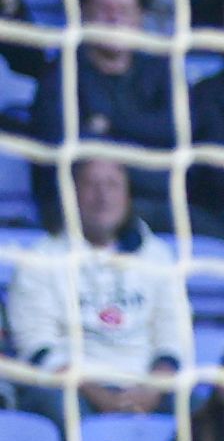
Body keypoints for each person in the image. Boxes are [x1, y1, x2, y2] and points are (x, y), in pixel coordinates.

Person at [7, 154, 188, 423]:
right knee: (59, 406)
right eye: (92, 185)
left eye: (112, 185)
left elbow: (174, 332)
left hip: (146, 386)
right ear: (71, 193)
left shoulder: (157, 255)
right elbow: (36, 346)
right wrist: (97, 393)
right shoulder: (40, 259)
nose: (103, 196)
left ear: (127, 195)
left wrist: (152, 388)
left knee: (199, 410)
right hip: (72, 388)